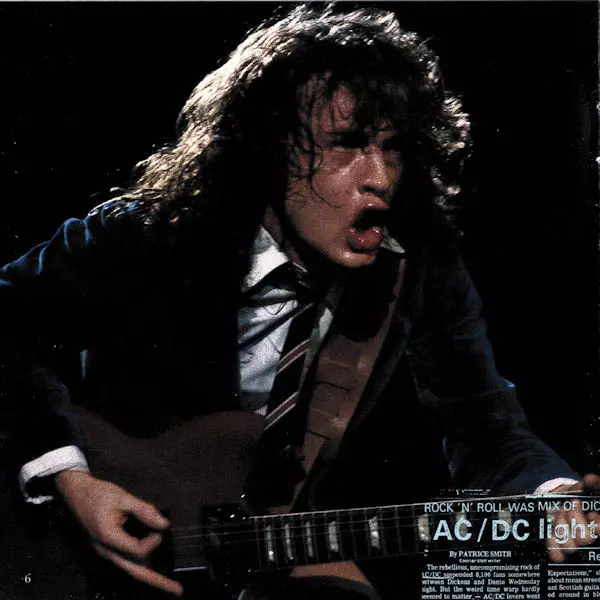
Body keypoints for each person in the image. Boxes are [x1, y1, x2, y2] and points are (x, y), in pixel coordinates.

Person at [0, 3, 597, 599]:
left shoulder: (417, 271)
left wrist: (552, 494)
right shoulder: (148, 234)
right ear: (268, 148)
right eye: (346, 144)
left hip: (256, 554)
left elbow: (485, 426)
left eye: (392, 147)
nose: (379, 177)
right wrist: (67, 475)